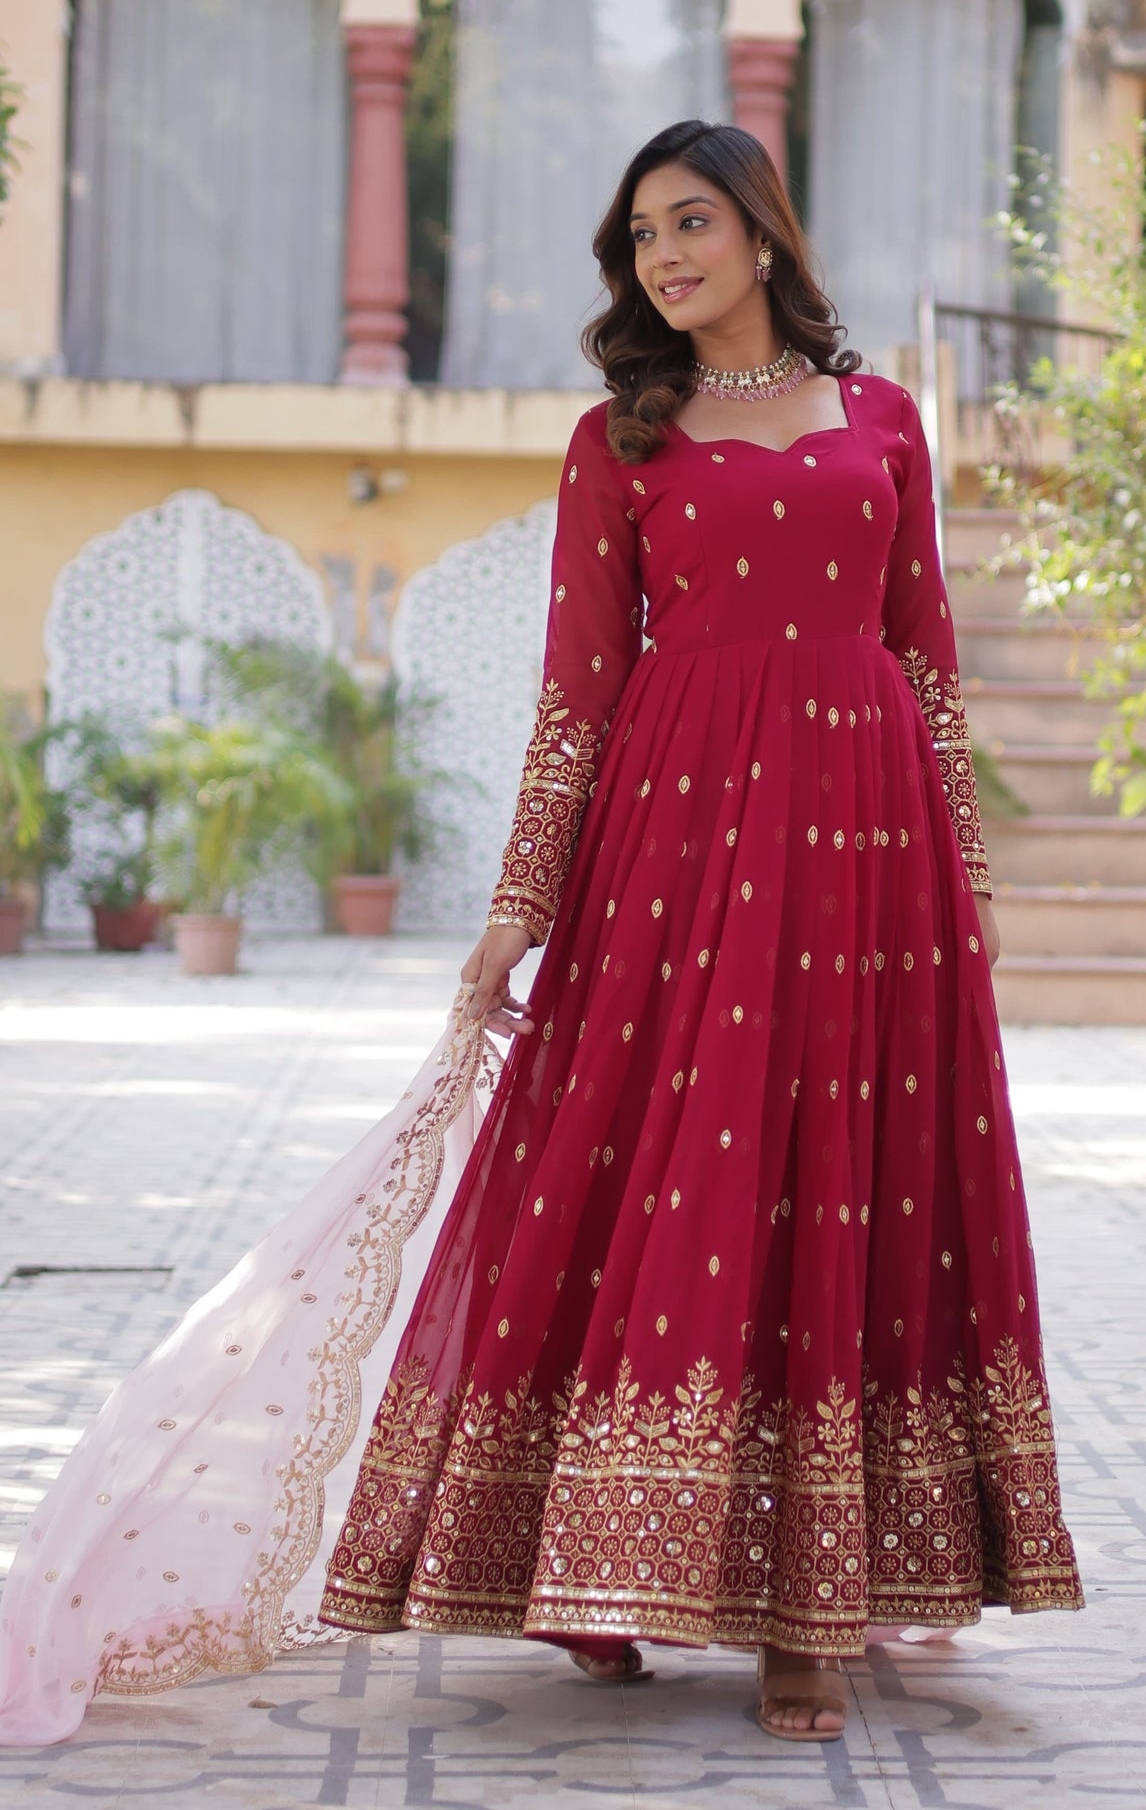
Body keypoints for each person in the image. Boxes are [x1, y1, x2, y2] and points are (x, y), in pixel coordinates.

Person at [0, 120, 1082, 1754]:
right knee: (653, 1171)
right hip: (676, 843)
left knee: (846, 1183)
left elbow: (923, 654)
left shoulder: (881, 420)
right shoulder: (619, 442)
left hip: (868, 857)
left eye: (692, 220)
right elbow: (576, 690)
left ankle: (813, 1610)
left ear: (765, 235)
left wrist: (966, 865)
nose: (663, 254)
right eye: (641, 233)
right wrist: (519, 903)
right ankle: (589, 1565)